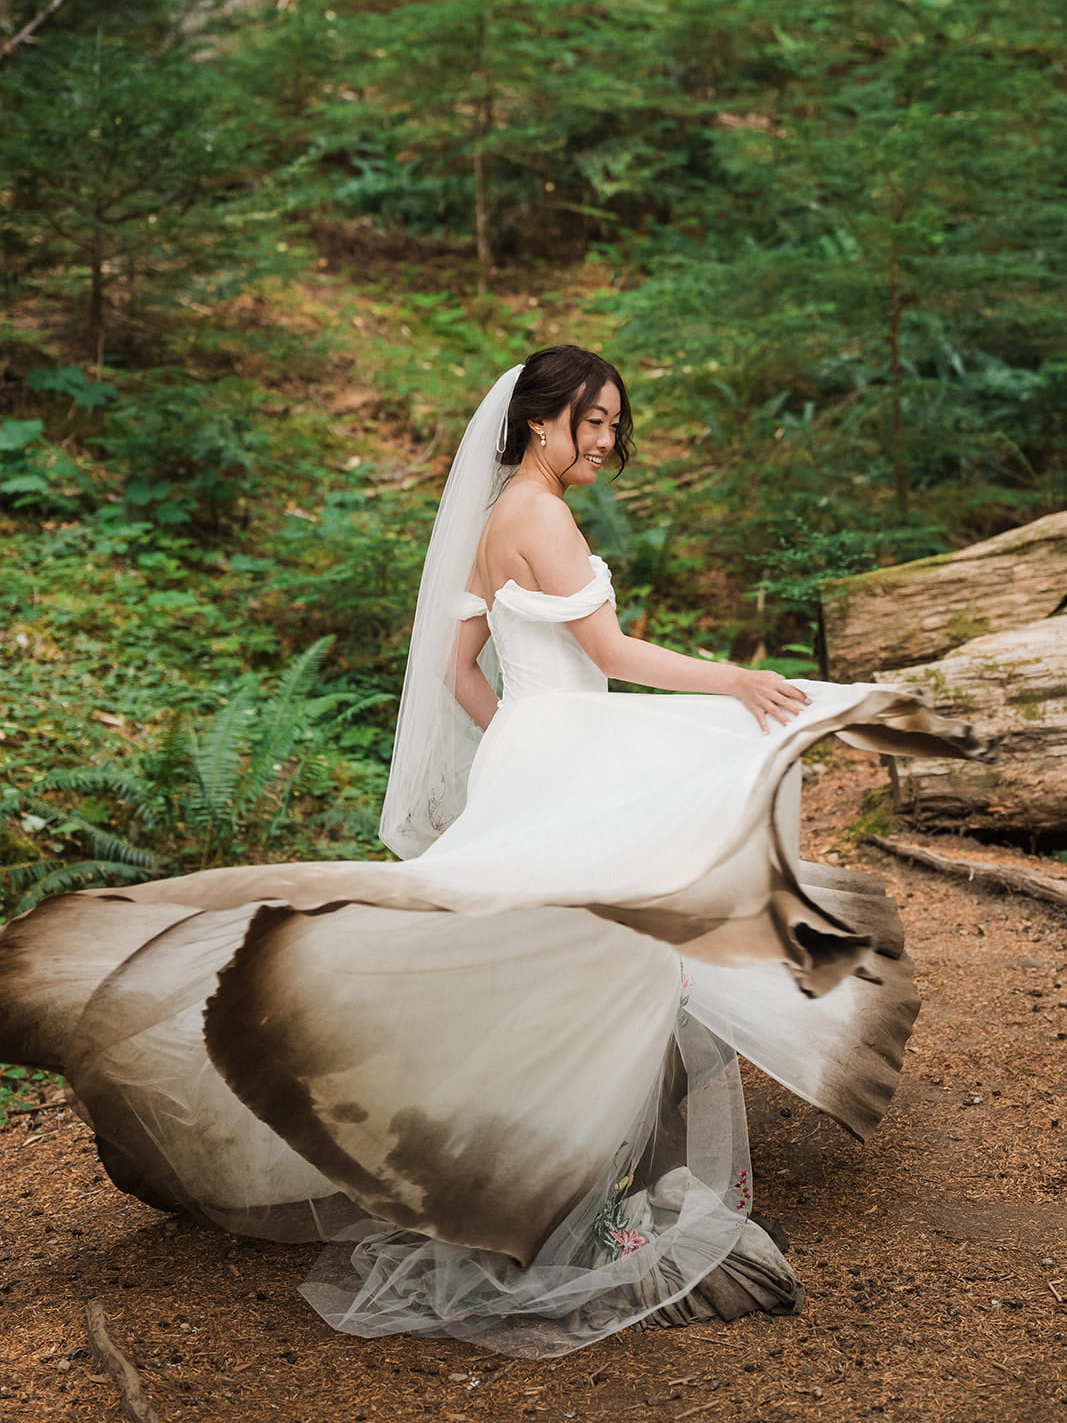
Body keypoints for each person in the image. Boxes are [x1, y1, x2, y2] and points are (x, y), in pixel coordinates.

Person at [0, 346, 989, 1358]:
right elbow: (608, 655)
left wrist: (520, 736)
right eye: (589, 420)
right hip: (559, 748)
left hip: (532, 748)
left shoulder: (489, 522)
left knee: (576, 959)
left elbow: (455, 667)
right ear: (535, 419)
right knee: (617, 956)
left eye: (613, 422)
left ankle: (572, 1186)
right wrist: (730, 681)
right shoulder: (545, 516)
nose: (604, 439)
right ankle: (602, 1215)